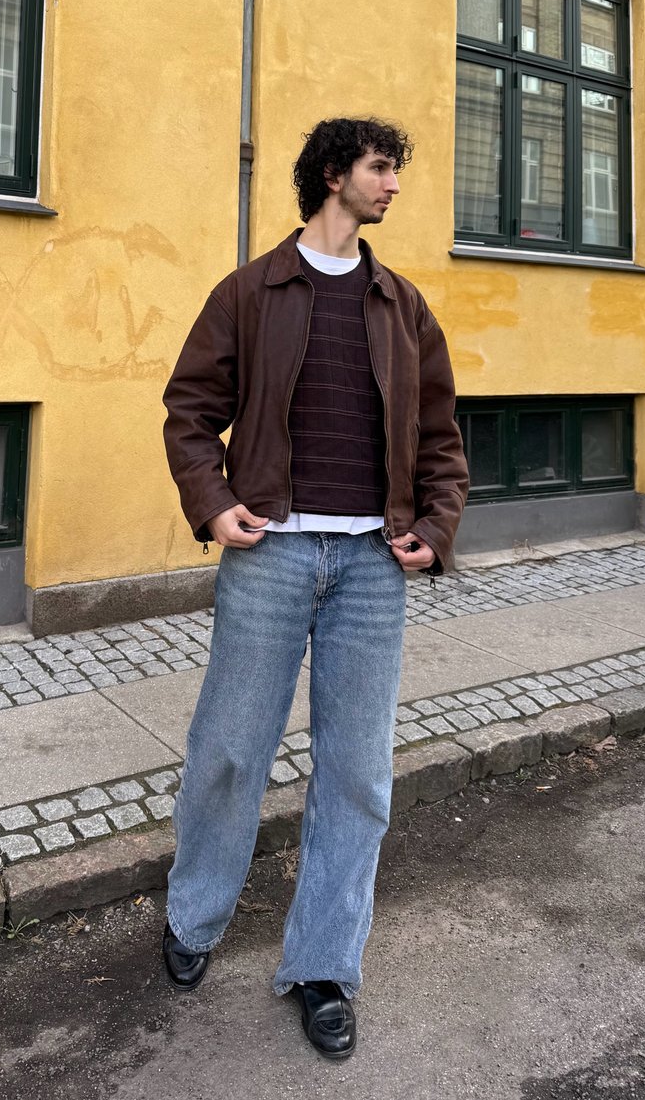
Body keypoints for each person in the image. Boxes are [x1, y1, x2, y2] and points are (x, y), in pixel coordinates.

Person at [160, 117, 468, 1059]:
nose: (395, 187)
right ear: (335, 176)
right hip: (272, 552)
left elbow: (443, 440)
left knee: (358, 773)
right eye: (382, 169)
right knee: (228, 748)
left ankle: (325, 963)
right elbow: (189, 409)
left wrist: (436, 528)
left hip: (375, 564)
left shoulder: (402, 304)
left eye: (394, 172)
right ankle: (195, 916)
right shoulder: (252, 291)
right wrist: (213, 505)